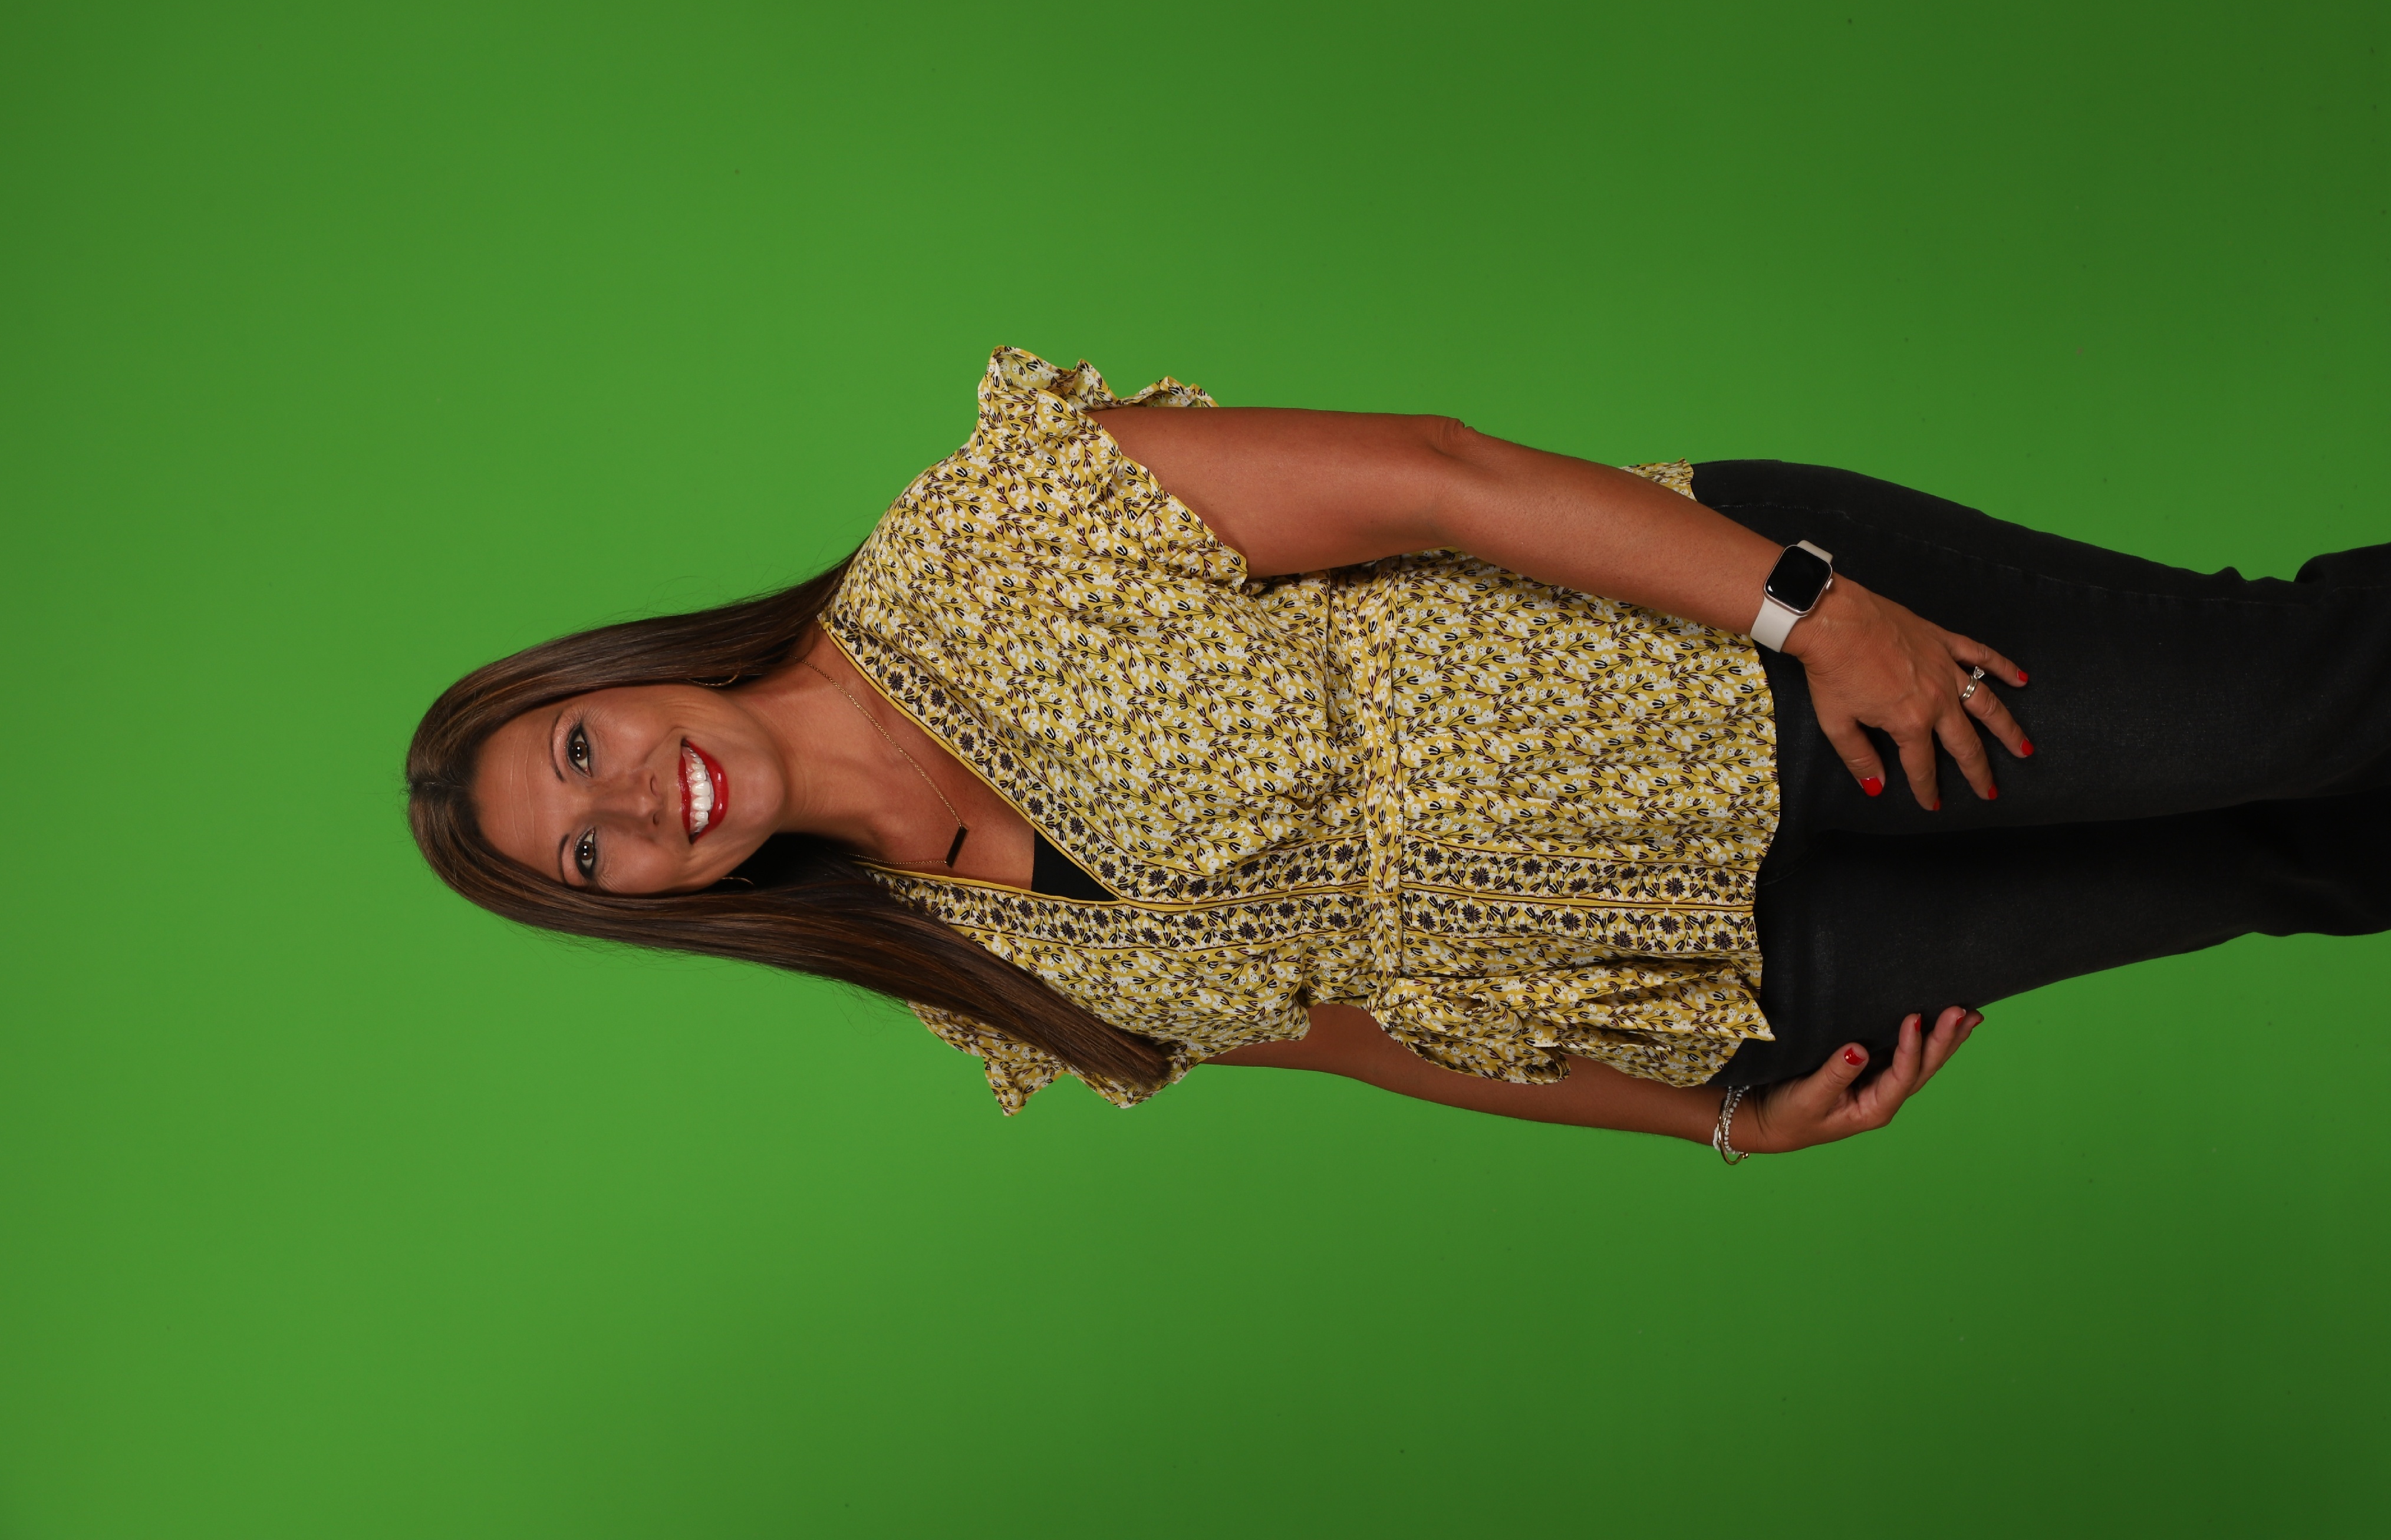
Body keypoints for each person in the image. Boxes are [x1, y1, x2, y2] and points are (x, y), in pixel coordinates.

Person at [407, 349, 2391, 1160]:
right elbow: (1358, 1038)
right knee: (2283, 860)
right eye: (585, 852)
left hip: (1749, 685)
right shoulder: (957, 969)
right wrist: (1708, 1125)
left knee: (2304, 698)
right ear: (633, 904)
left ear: (625, 676)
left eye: (581, 747)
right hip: (1733, 972)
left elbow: (1437, 480)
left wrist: (1814, 609)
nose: (627, 803)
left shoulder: (983, 540)